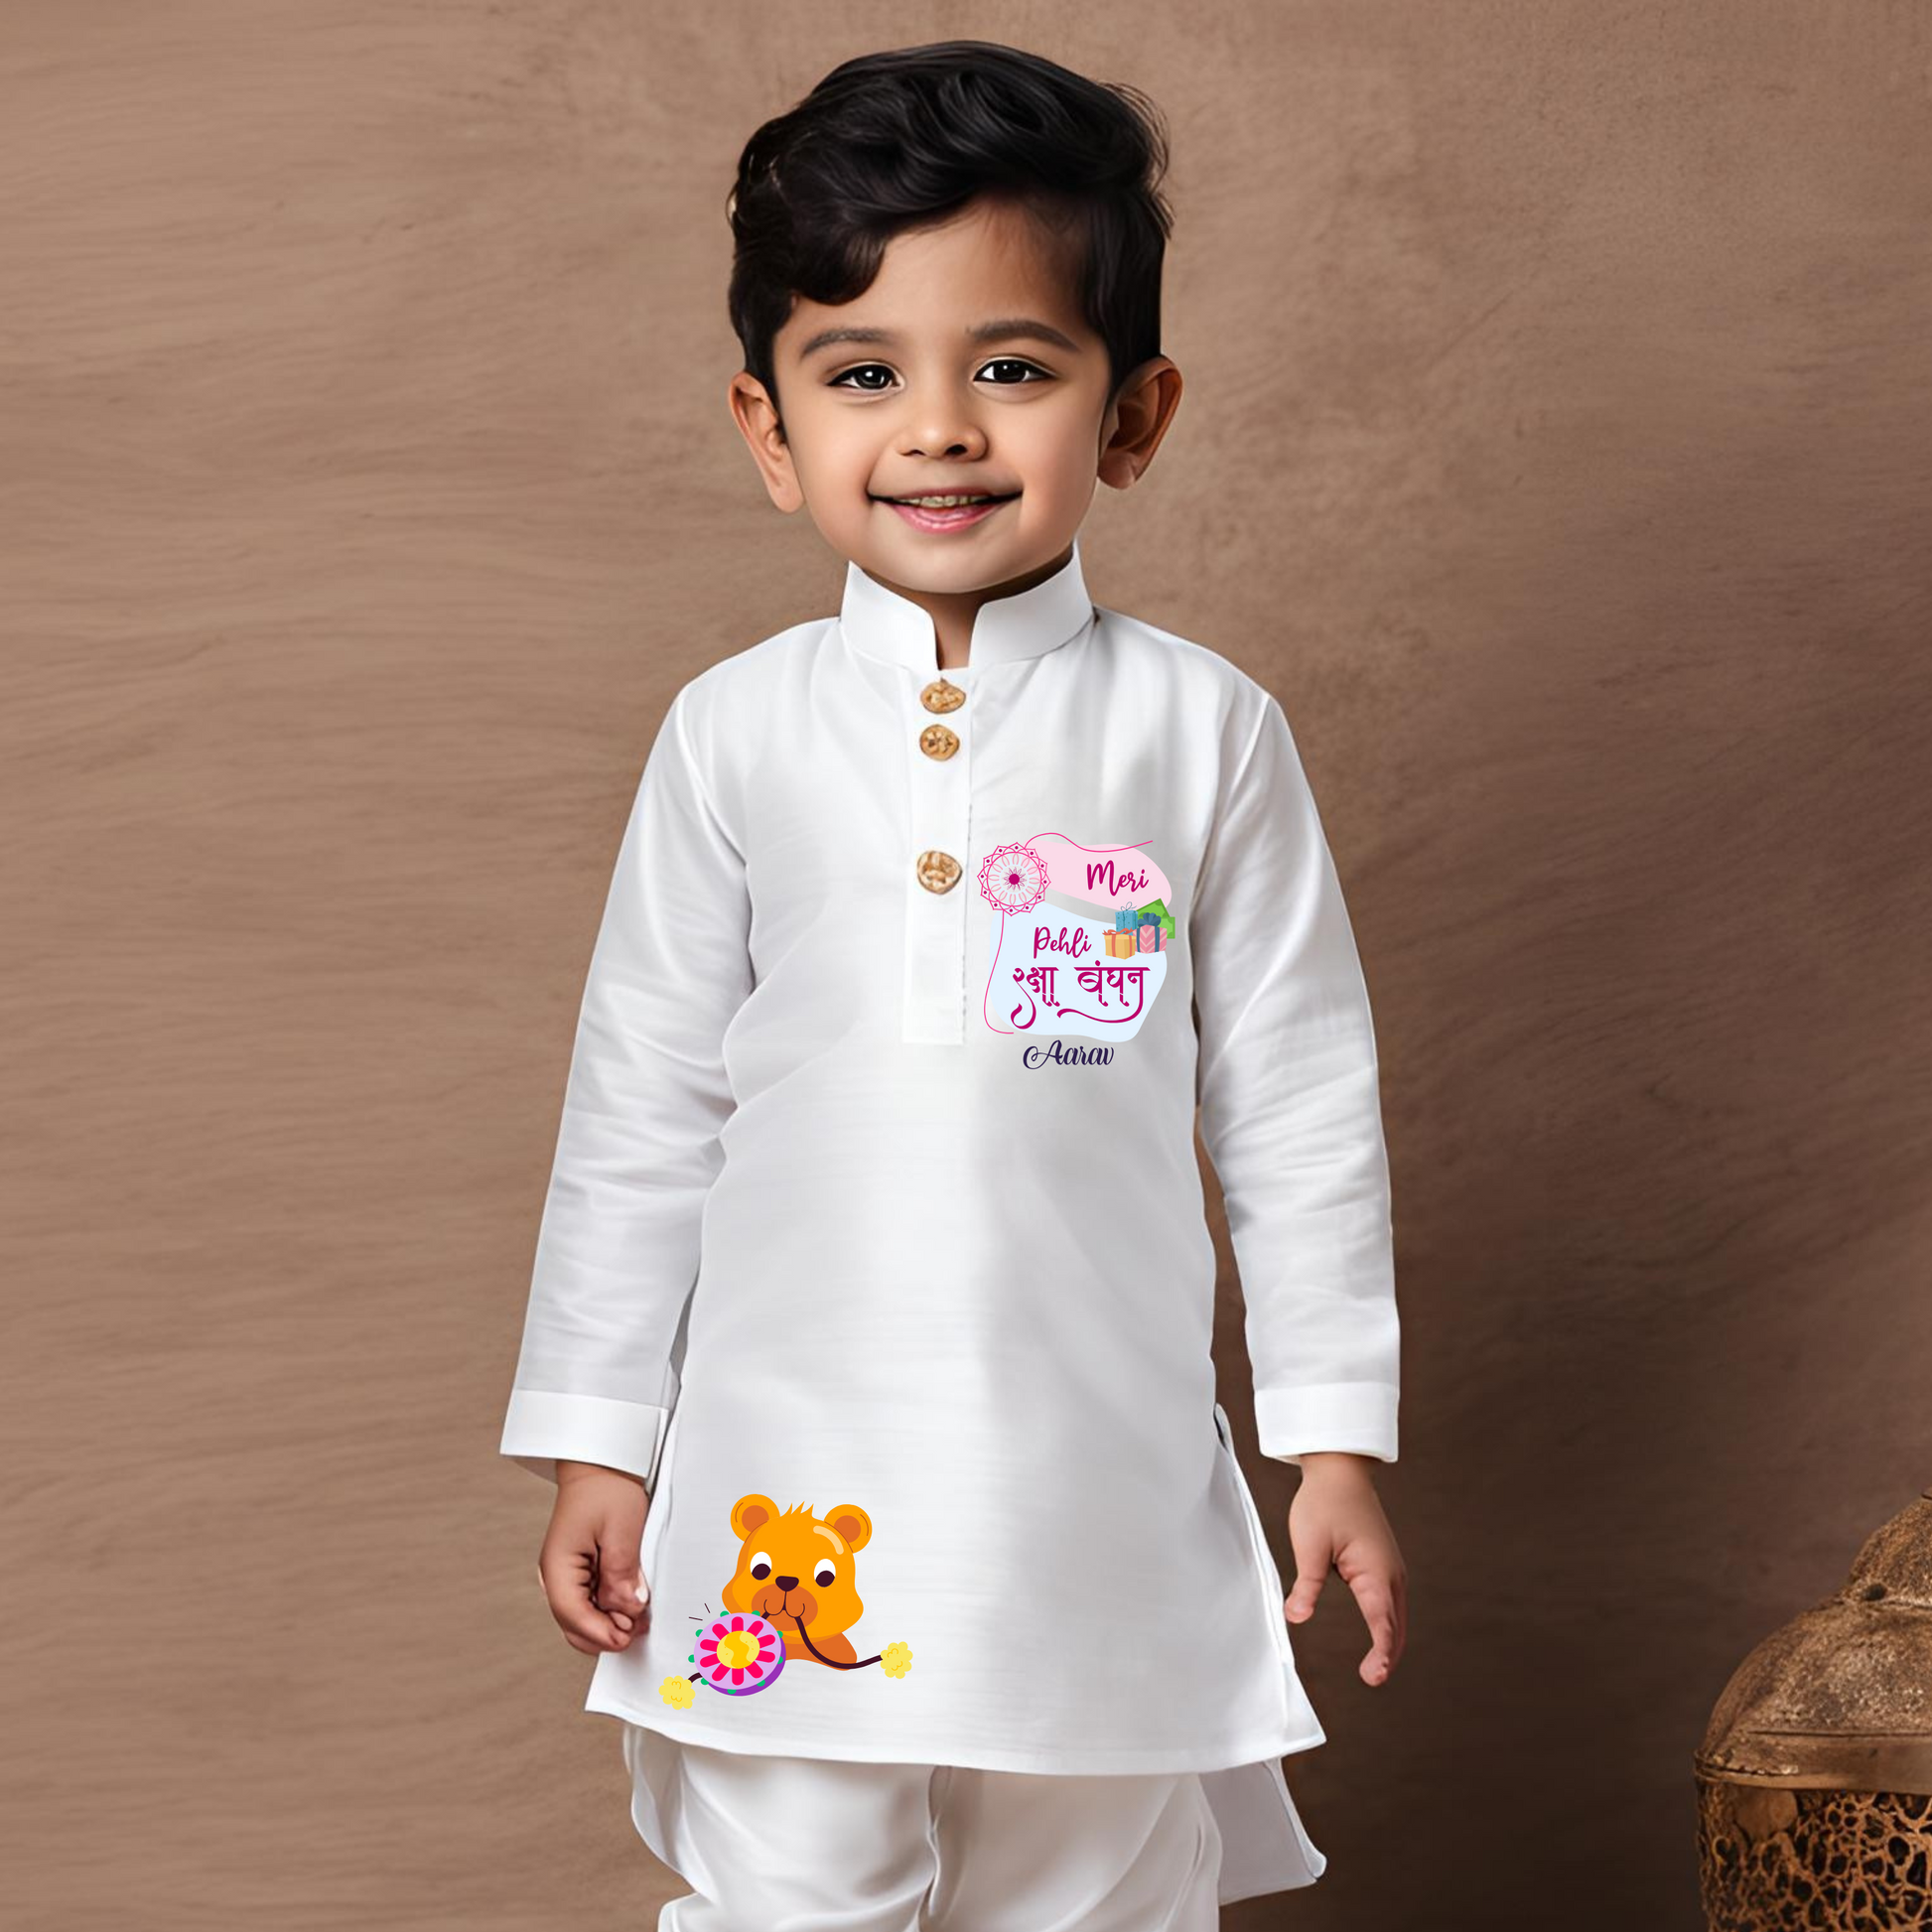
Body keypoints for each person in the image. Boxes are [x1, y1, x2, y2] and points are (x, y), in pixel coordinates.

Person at [500, 38, 1407, 1930]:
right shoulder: (733, 734)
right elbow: (643, 1104)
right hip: (780, 1473)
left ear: (1131, 413)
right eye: (861, 375)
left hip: (1090, 1477)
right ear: (769, 431)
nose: (937, 430)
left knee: (1088, 1887)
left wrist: (1329, 1438)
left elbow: (1297, 1104)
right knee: (794, 1886)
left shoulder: (1201, 731)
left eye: (1009, 368)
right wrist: (597, 1436)